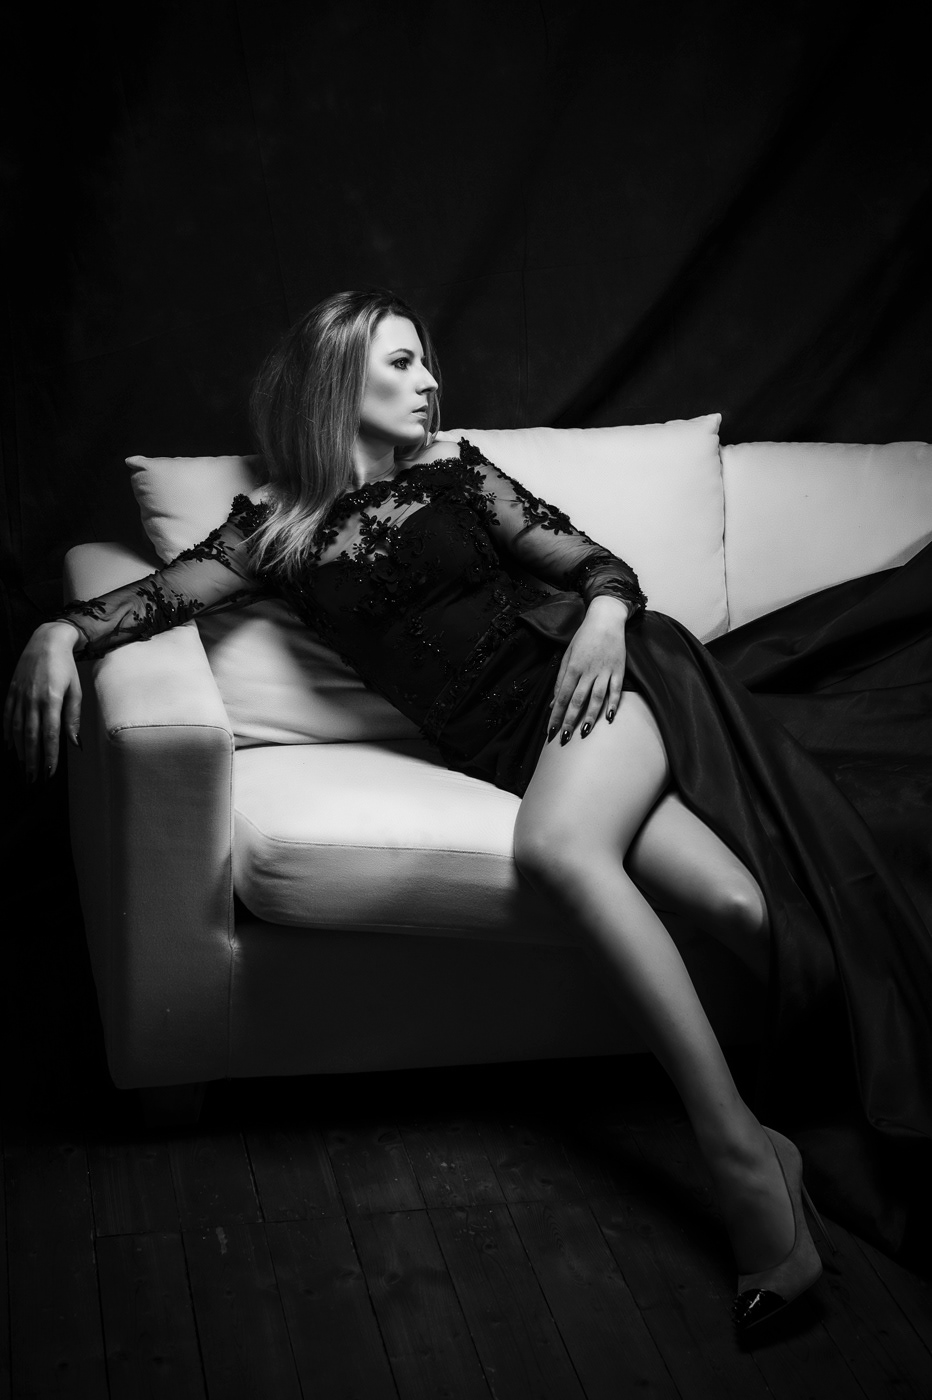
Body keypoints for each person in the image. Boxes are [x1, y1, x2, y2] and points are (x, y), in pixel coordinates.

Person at [5, 289, 931, 1326]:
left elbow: (596, 566)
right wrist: (56, 633)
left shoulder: (456, 474)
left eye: (426, 362)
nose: (429, 382)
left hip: (604, 688)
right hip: (515, 746)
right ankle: (802, 1129)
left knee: (560, 850)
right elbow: (149, 598)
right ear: (335, 376)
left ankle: (739, 1157)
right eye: (401, 363)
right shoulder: (271, 535)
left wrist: (606, 618)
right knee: (739, 909)